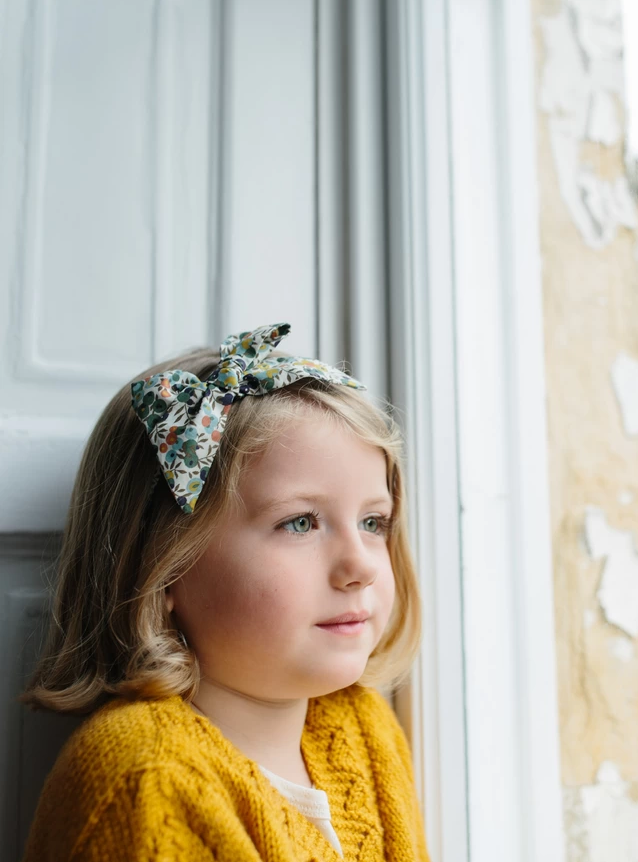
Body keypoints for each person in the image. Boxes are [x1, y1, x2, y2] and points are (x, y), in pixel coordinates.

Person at [20, 322, 429, 862]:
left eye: (374, 522)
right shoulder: (146, 783)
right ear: (163, 566)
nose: (361, 566)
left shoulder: (362, 723)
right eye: (301, 522)